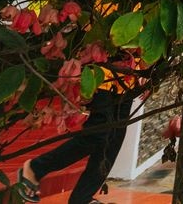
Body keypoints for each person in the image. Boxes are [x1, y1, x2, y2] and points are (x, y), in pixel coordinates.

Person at [17, 56, 140, 204]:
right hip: (102, 68)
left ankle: (82, 199)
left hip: (129, 75)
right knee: (97, 134)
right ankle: (36, 167)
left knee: (114, 138)